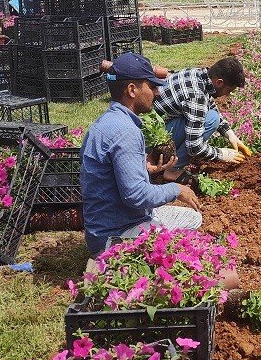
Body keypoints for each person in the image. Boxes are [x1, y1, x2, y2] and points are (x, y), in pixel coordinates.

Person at [80, 52, 203, 256]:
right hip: (114, 237)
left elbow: (105, 174)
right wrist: (176, 189)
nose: (156, 92)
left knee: (184, 218)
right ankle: (118, 261)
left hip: (102, 228)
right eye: (152, 86)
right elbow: (136, 196)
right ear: (132, 90)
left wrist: (142, 167)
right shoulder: (126, 132)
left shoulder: (105, 123)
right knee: (192, 220)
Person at [152, 56, 251, 183]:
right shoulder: (196, 96)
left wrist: (230, 135)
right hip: (150, 144)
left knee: (210, 116)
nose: (227, 95)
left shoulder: (198, 74)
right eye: (229, 90)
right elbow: (194, 147)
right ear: (219, 82)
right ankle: (173, 170)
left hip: (155, 129)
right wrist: (222, 154)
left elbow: (209, 105)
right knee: (211, 119)